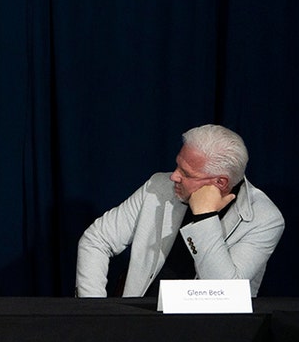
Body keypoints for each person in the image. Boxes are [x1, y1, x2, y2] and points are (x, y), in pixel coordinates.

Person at [76, 124, 284, 297]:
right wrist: (94, 309)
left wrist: (205, 217)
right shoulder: (158, 187)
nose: (174, 176)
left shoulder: (264, 219)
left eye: (186, 173)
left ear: (220, 182)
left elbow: (223, 292)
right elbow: (97, 240)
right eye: (177, 166)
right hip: (138, 323)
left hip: (207, 335)